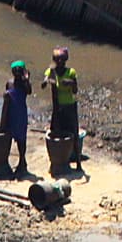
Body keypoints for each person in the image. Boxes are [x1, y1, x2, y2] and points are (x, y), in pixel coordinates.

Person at [45, 48, 81, 176]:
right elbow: (45, 80)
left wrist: (71, 83)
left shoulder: (71, 72)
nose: (60, 62)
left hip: (69, 106)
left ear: (65, 61)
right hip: (57, 107)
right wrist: (47, 81)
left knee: (74, 134)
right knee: (55, 132)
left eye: (62, 60)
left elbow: (75, 90)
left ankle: (78, 163)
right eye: (57, 60)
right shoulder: (52, 71)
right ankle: (56, 162)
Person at [0, 62, 32, 176]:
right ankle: (11, 163)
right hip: (11, 113)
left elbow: (29, 91)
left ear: (23, 72)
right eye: (15, 71)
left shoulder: (24, 84)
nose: (17, 73)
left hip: (20, 113)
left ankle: (22, 161)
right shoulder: (9, 83)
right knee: (9, 136)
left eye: (19, 71)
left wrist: (26, 80)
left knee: (21, 139)